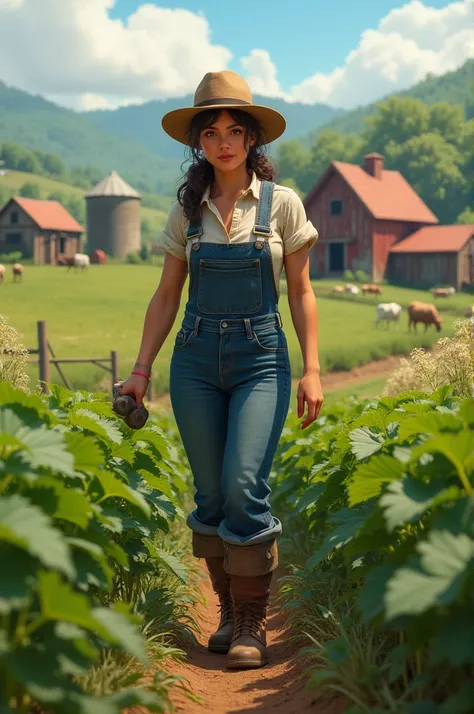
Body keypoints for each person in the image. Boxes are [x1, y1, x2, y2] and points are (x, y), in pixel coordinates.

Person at [119, 70, 323, 670]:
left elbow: (303, 292)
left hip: (263, 359)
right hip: (195, 362)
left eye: (236, 131)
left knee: (242, 483)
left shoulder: (282, 206)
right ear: (199, 144)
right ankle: (229, 613)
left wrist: (312, 369)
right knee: (209, 493)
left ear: (253, 140)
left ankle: (254, 624)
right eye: (212, 132)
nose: (225, 142)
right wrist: (139, 370)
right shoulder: (186, 213)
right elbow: (165, 297)